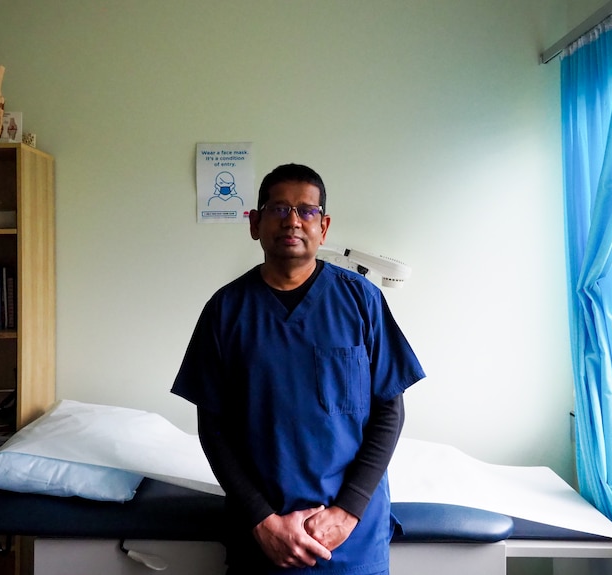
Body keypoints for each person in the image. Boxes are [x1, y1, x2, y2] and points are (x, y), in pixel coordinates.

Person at [172, 163, 425, 575]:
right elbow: (214, 428)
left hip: (351, 539)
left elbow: (388, 414)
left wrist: (346, 513)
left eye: (306, 211)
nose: (292, 220)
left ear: (323, 227)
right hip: (262, 537)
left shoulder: (362, 302)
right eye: (278, 209)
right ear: (254, 223)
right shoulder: (225, 311)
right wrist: (262, 520)